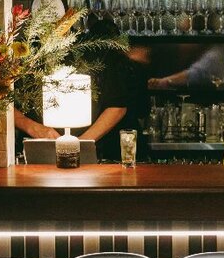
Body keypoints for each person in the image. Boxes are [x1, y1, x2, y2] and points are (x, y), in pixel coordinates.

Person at [15, 19, 147, 161]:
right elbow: (1, 101)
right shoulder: (23, 52)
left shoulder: (94, 51)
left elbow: (117, 106)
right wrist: (31, 127)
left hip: (90, 152)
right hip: (33, 150)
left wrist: (81, 145)